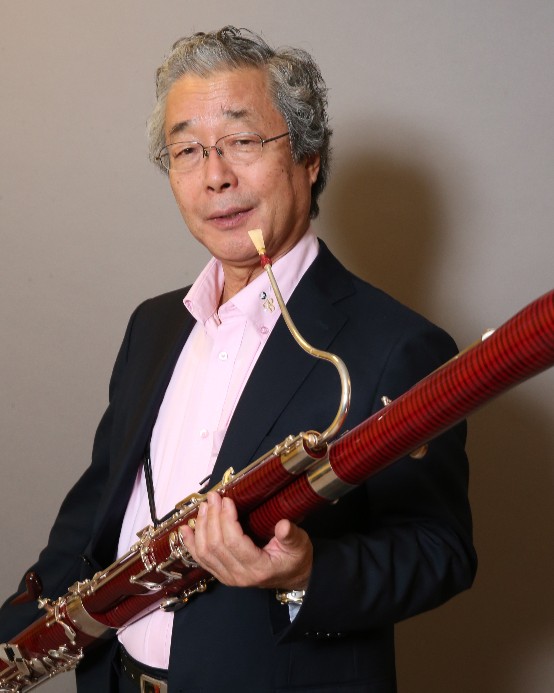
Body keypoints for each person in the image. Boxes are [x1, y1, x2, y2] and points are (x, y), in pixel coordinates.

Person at [0, 27, 476, 692]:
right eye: (187, 150)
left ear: (309, 158)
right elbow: (95, 514)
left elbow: (439, 551)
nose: (215, 175)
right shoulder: (153, 325)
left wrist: (305, 571)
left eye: (243, 141)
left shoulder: (399, 344)